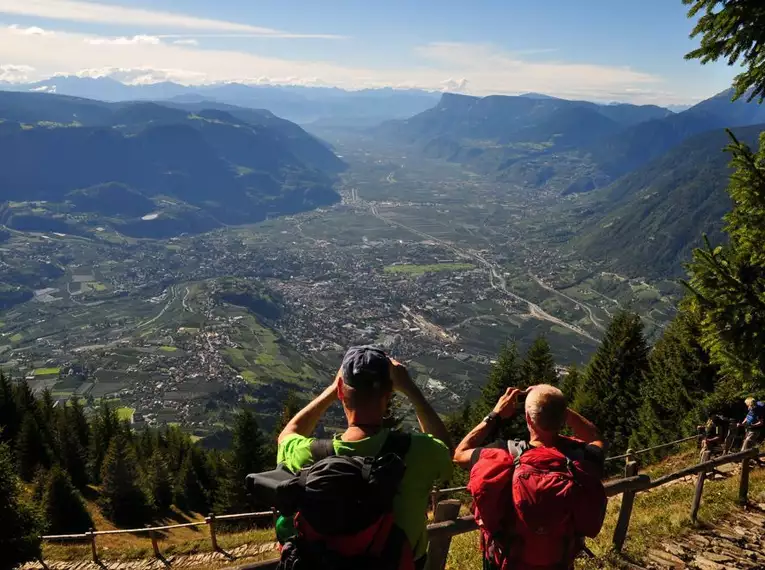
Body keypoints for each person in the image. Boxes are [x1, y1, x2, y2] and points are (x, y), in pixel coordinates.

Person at [276, 345, 453, 570]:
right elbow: (446, 450)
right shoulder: (418, 451)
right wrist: (409, 387)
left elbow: (287, 435)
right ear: (389, 394)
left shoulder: (308, 455)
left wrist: (331, 389)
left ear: (341, 391)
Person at [454, 385, 607, 570]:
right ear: (562, 418)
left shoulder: (502, 454)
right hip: (557, 563)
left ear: (528, 417)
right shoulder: (580, 457)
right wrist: (559, 407)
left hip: (507, 563)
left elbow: (459, 454)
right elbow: (596, 437)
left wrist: (495, 414)